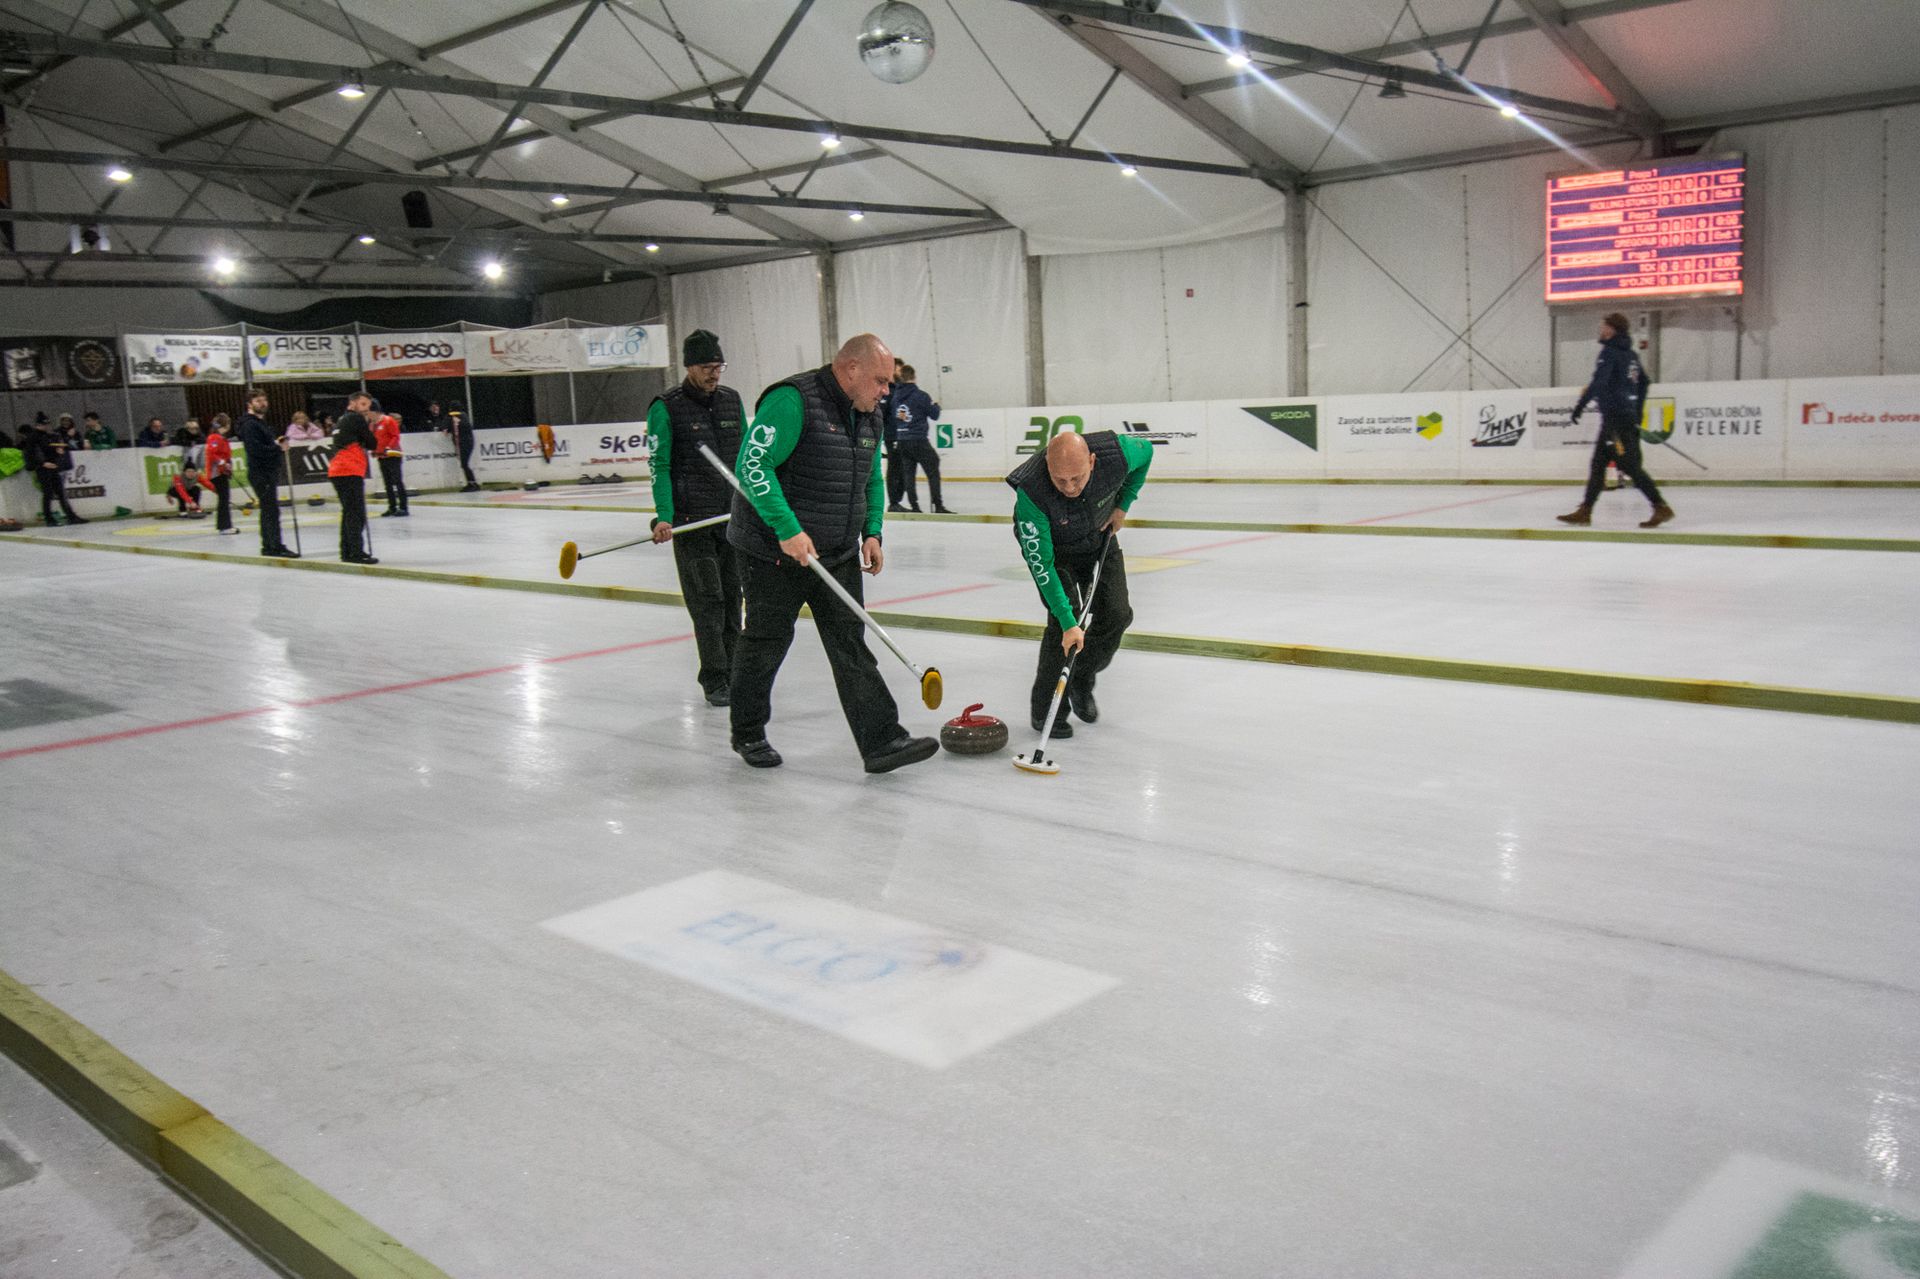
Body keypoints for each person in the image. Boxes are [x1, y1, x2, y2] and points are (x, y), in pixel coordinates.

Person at [727, 333, 937, 774]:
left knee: (850, 643)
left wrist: (873, 532)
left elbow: (871, 480)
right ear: (851, 368)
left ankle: (882, 741)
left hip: (837, 552)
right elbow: (751, 465)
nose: (886, 391)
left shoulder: (870, 415)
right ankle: (748, 731)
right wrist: (787, 529)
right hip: (773, 553)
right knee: (766, 642)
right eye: (880, 380)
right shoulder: (793, 400)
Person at [1007, 429, 1152, 740]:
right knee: (1064, 624)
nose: (1070, 487)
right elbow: (1042, 566)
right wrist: (1070, 622)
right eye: (1061, 480)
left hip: (1099, 534)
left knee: (1117, 614)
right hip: (1055, 553)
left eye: (1078, 478)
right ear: (1047, 465)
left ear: (1093, 461)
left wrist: (1123, 504)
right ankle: (1047, 710)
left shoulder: (1119, 454)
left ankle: (1080, 676)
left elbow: (1148, 453)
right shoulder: (1030, 492)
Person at [645, 329, 747, 706]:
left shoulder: (731, 401)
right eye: (707, 367)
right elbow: (660, 464)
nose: (714, 374)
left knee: (734, 599)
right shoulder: (666, 407)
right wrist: (663, 516)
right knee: (708, 601)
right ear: (689, 366)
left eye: (718, 366)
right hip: (692, 523)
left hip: (732, 521)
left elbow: (747, 456)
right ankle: (715, 677)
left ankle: (737, 669)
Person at [1557, 312, 1675, 529]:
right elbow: (1644, 383)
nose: (1600, 330)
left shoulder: (1609, 352)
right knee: (1598, 465)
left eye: (1603, 326)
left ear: (1612, 329)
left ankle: (1660, 505)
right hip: (1620, 418)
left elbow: (1599, 383)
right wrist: (1637, 410)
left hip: (1615, 421)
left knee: (1628, 465)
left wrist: (1580, 406)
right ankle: (1585, 510)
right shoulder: (1631, 355)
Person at [238, 387, 298, 559]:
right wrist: (277, 448)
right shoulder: (250, 425)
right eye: (258, 401)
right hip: (260, 471)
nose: (262, 404)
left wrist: (276, 444)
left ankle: (270, 545)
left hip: (266, 471)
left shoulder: (260, 423)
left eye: (264, 400)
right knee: (270, 510)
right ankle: (274, 545)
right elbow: (256, 449)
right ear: (250, 404)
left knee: (269, 509)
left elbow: (265, 445)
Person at [327, 391, 380, 564]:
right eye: (363, 404)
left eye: (368, 406)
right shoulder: (356, 419)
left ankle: (347, 551)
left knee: (349, 512)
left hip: (339, 470)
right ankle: (356, 552)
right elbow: (372, 443)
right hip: (349, 469)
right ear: (353, 403)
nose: (366, 409)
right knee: (356, 514)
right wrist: (370, 425)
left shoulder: (342, 420)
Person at [889, 364, 949, 514]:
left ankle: (915, 506)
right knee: (933, 469)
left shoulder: (895, 397)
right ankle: (938, 504)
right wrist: (936, 406)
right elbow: (934, 415)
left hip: (902, 438)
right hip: (918, 439)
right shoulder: (921, 396)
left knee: (909, 473)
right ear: (913, 377)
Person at [22, 420, 86, 526]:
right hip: (43, 468)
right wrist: (42, 463)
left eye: (47, 424)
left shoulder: (47, 436)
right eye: (44, 424)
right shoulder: (33, 437)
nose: (46, 426)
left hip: (52, 466)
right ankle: (50, 519)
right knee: (48, 493)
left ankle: (70, 516)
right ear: (38, 425)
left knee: (60, 492)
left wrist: (57, 453)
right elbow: (31, 453)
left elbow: (48, 449)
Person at [204, 413, 238, 534]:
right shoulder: (214, 437)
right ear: (226, 424)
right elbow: (212, 454)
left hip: (222, 472)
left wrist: (228, 466)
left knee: (224, 498)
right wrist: (223, 463)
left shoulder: (221, 438)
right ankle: (224, 527)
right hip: (216, 473)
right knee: (224, 499)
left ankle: (224, 526)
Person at [374, 407, 408, 517]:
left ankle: (403, 507)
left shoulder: (388, 421)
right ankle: (392, 507)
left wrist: (389, 447)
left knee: (397, 481)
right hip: (382, 456)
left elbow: (395, 437)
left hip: (393, 455)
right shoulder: (375, 425)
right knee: (387, 484)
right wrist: (375, 450)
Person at [442, 402, 478, 491]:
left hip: (462, 442)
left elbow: (445, 431)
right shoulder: (464, 415)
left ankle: (472, 483)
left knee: (464, 464)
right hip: (468, 442)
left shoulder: (451, 417)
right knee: (464, 464)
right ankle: (472, 483)